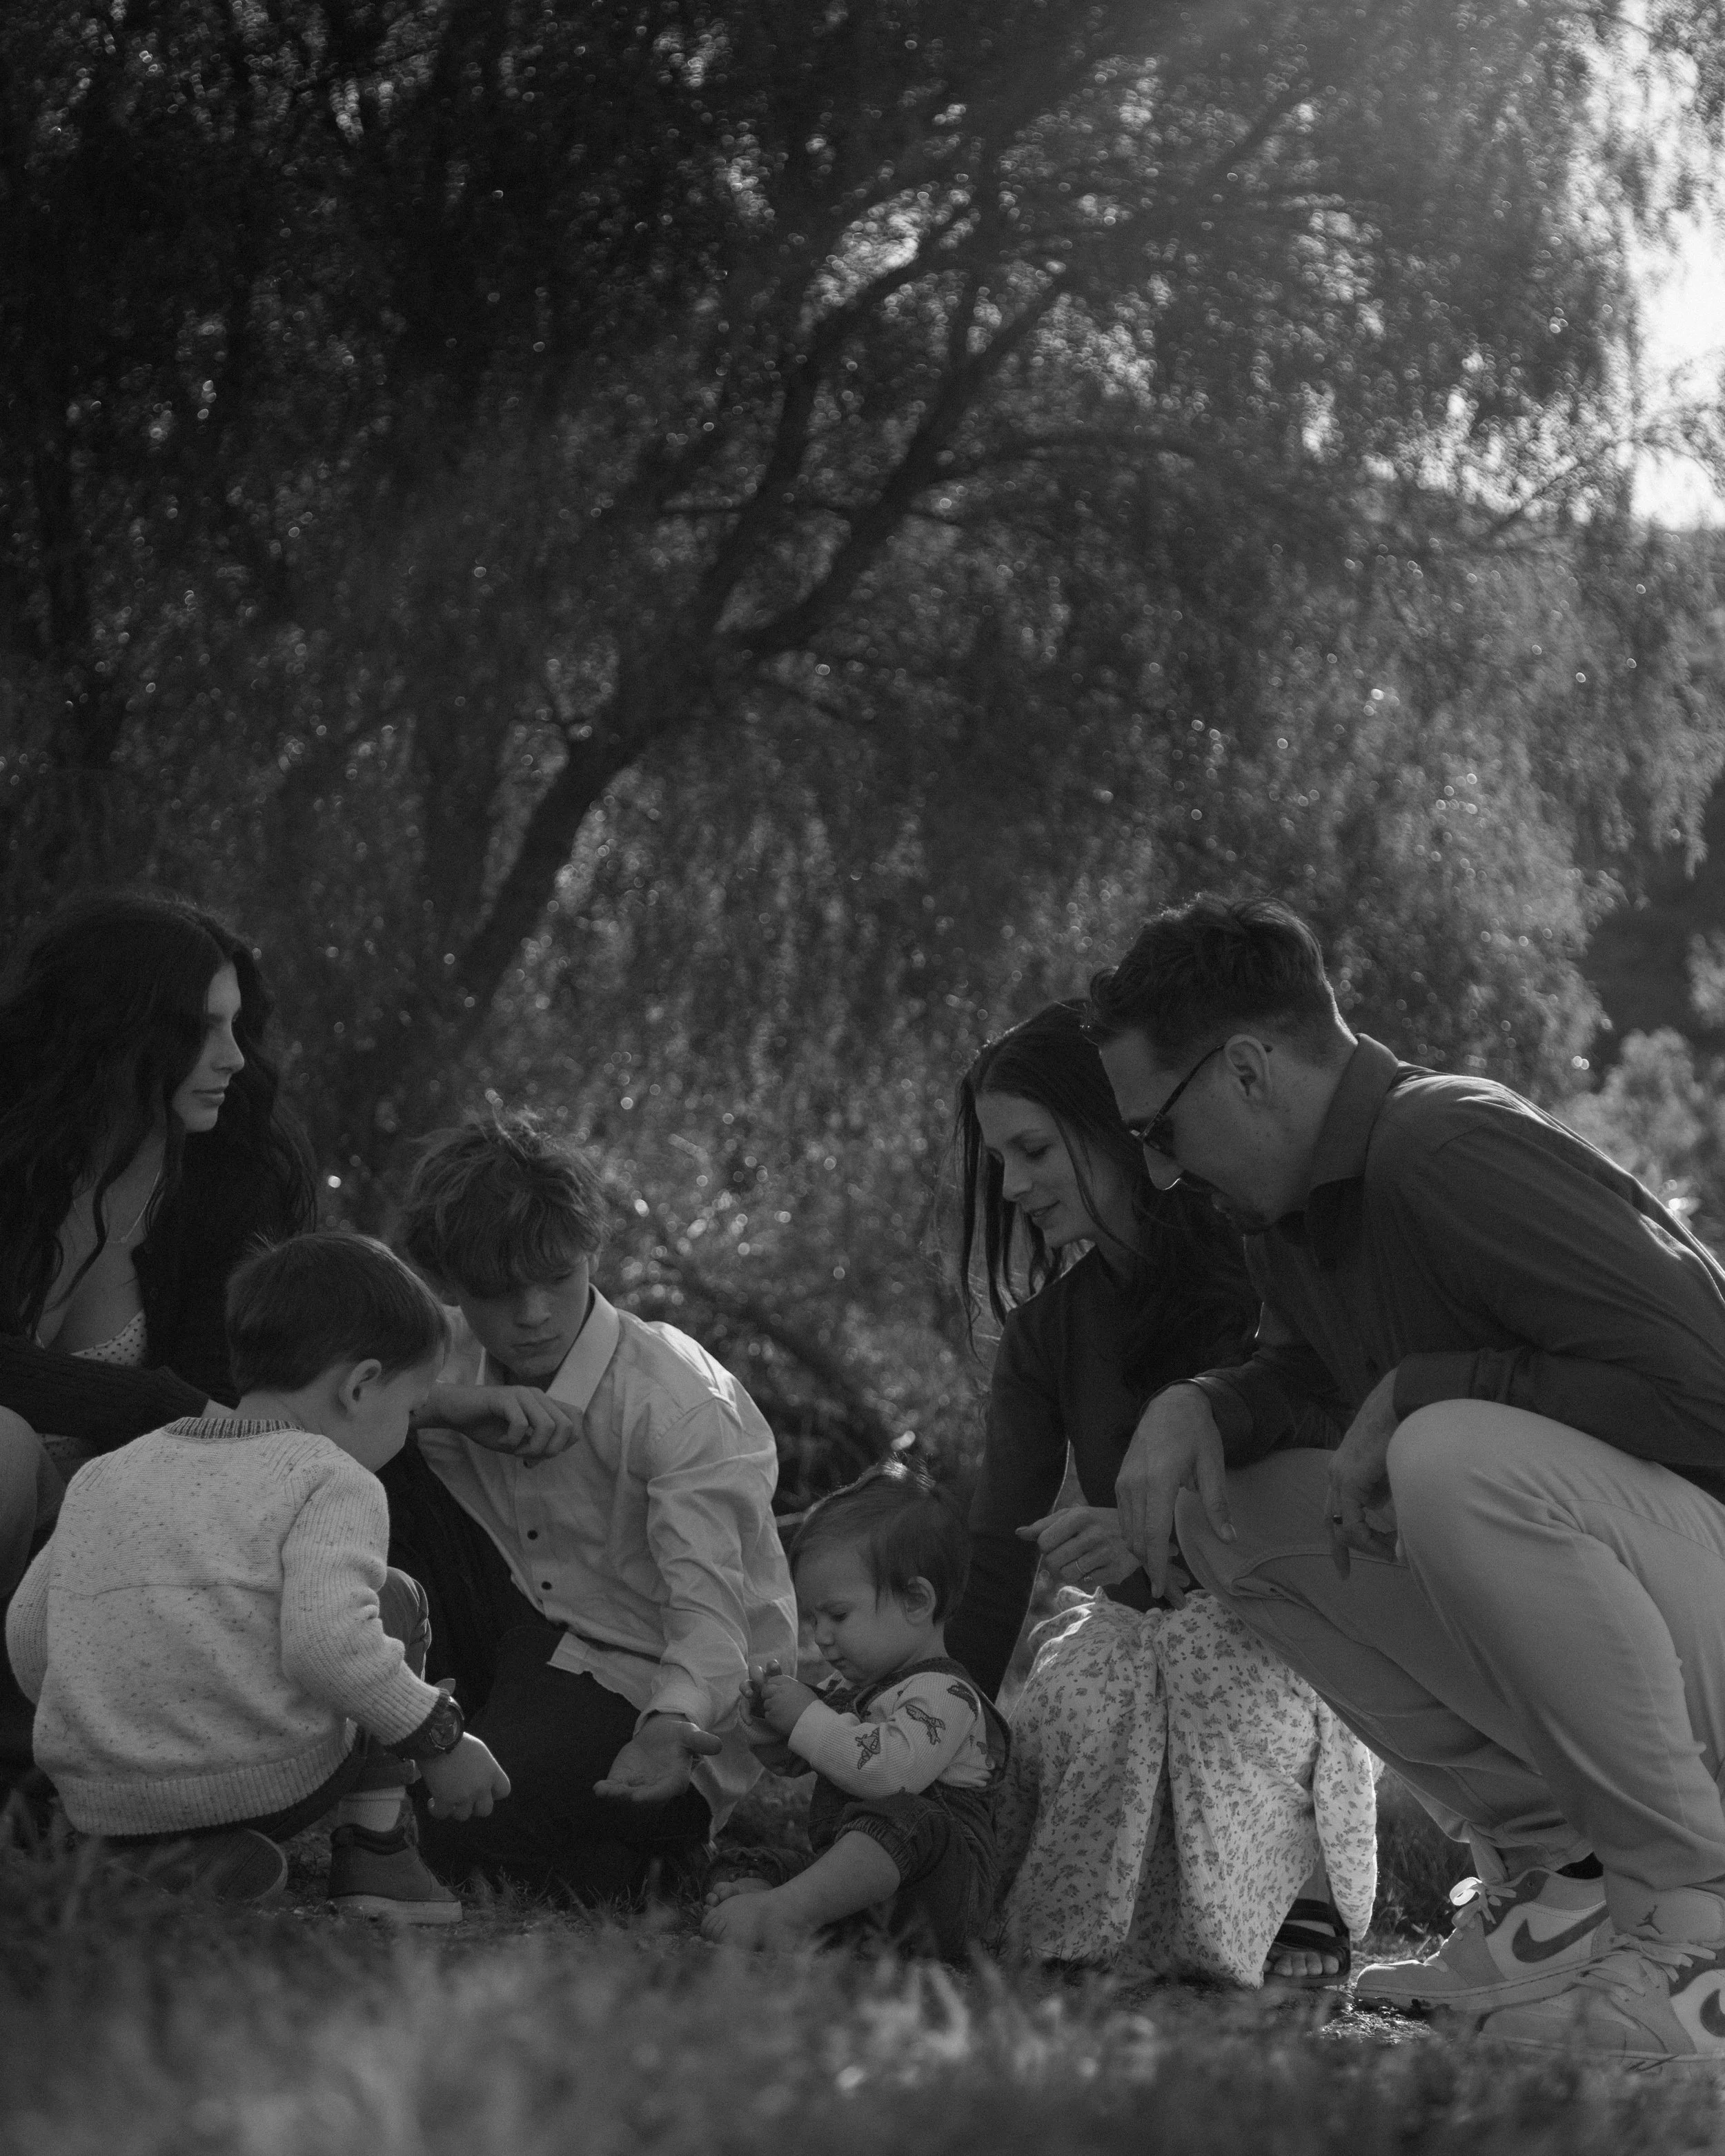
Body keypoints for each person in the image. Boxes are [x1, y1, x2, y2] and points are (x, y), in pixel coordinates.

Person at [1093, 893, 1725, 2064]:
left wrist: (1434, 1385)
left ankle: (1699, 1935)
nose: (1163, 1175)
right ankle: (1565, 1881)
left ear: (1245, 1071)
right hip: (1673, 1615)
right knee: (1226, 1507)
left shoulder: (1446, 1149)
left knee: (1451, 1457)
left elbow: (1707, 1388)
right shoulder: (1291, 1211)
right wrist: (1203, 1404)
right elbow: (1302, 1376)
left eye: (1159, 1134)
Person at [944, 1000, 1379, 1987]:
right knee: (1092, 1684)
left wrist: (1167, 1532)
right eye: (998, 1161)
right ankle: (1114, 1916)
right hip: (1132, 1632)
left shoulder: (1257, 1271)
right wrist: (939, 1715)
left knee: (1216, 1669)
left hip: (1276, 1619)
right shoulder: (1046, 1333)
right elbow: (995, 1559)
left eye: (1034, 1150)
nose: (1012, 1186)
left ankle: (1289, 1894)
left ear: (1111, 1131)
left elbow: (1328, 1448)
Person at [4, 1233, 510, 1916]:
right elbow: (330, 1645)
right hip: (256, 1780)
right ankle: (378, 1859)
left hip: (96, 1788)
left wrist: (110, 1735)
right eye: (411, 1408)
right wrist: (439, 1734)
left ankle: (134, 1848)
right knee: (394, 1596)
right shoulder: (331, 1480)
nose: (407, 1428)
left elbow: (32, 1630)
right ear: (361, 1385)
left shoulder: (109, 1472)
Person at [385, 1111, 798, 1902]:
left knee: (457, 1815)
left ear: (592, 1255)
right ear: (447, 1280)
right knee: (375, 1433)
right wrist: (446, 1407)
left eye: (557, 1278)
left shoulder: (675, 1402)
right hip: (517, 1633)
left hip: (643, 1669)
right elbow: (300, 1420)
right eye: (499, 1292)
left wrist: (669, 1723)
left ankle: (653, 1844)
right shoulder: (437, 1349)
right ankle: (580, 1846)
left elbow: (714, 1620)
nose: (534, 1313)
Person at [0, 892, 315, 1601]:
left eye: (236, 1025)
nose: (234, 1057)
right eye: (202, 1029)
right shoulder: (13, 1157)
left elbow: (224, 1400)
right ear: (112, 1030)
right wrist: (156, 1400)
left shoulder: (229, 1182)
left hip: (112, 1534)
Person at [702, 1463, 1009, 1957]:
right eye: (814, 1617)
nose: (821, 1636)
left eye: (838, 1615)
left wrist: (806, 1716)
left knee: (911, 1817)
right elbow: (807, 1757)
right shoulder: (853, 1684)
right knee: (747, 1862)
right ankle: (802, 1911)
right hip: (869, 1884)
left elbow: (887, 1774)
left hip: (941, 1895)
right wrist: (771, 1730)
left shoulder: (946, 1694)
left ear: (916, 1599)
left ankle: (791, 1910)